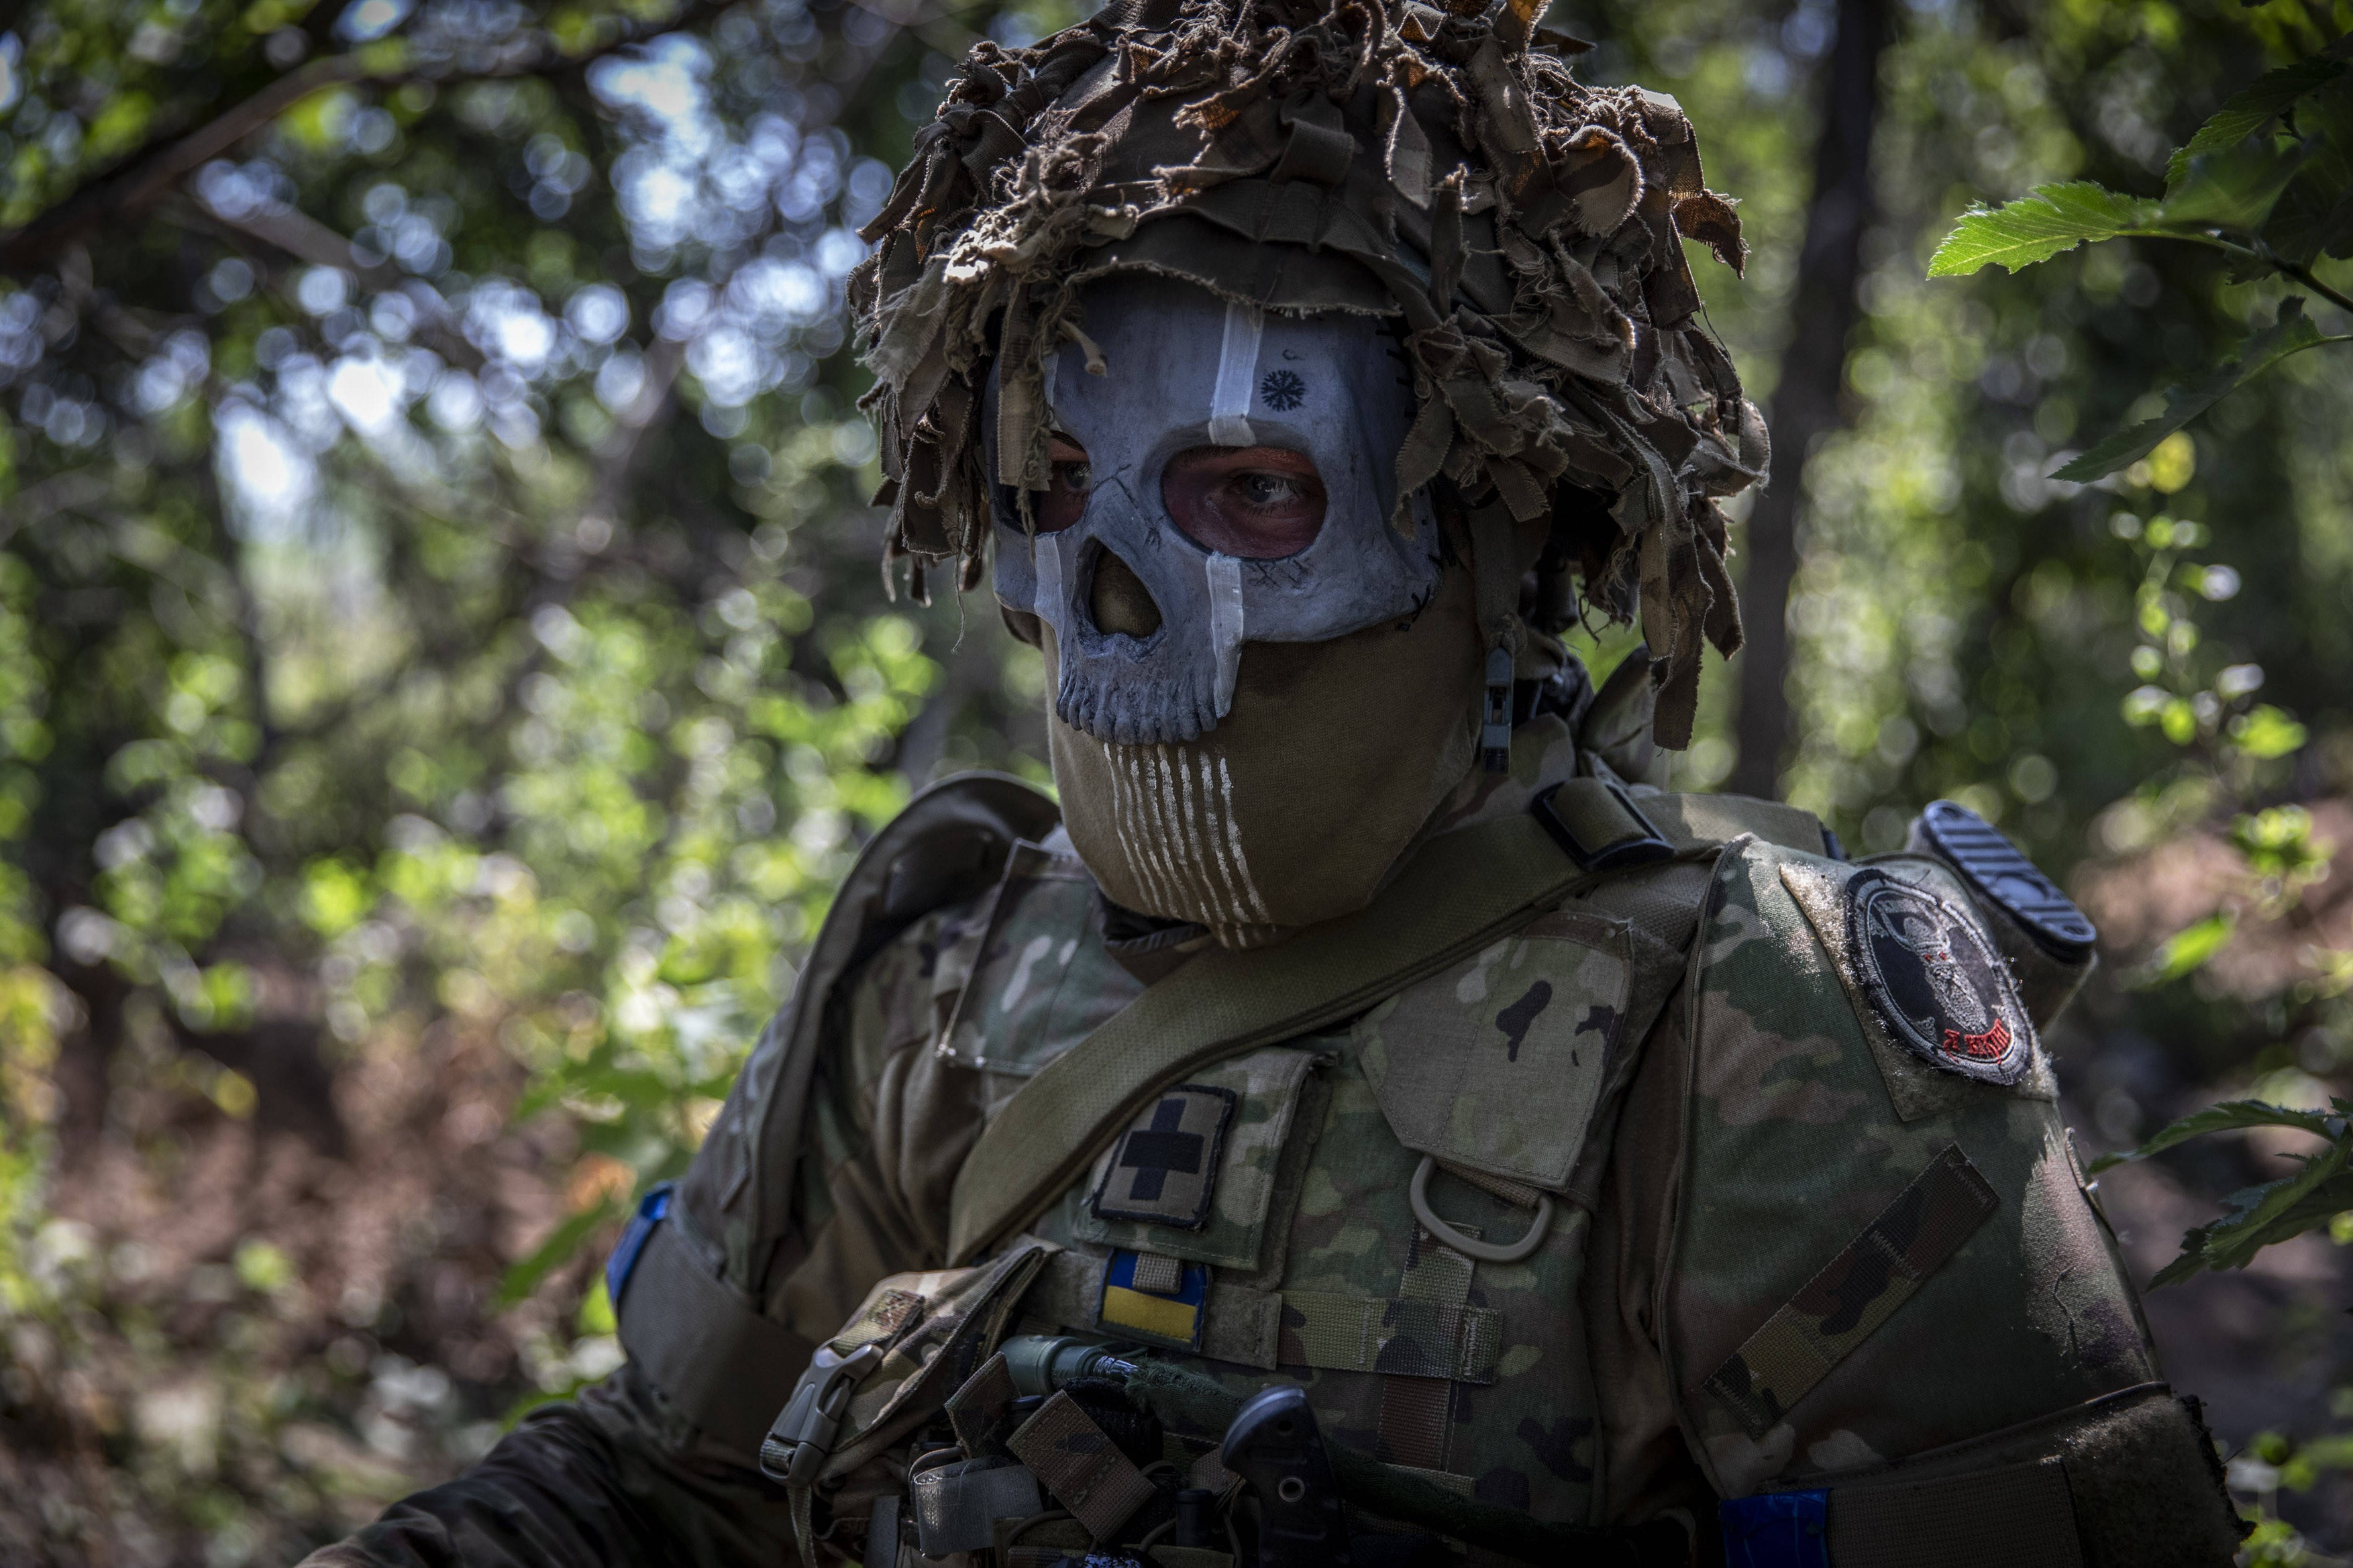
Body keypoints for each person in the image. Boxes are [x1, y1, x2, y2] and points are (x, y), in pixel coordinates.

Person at [307, 1, 2246, 1563]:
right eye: (1059, 485)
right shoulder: (939, 971)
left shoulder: (1766, 1022)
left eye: (1250, 488)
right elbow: (661, 1489)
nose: (1120, 589)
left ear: (1482, 521)